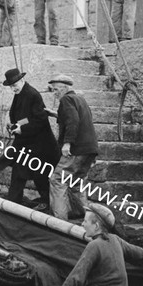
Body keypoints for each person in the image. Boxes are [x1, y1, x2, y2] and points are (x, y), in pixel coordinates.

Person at [42, 203, 143, 286]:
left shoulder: (94, 245)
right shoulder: (116, 239)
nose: (82, 224)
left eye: (85, 221)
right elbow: (142, 256)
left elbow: (76, 277)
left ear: (97, 226)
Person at [0, 68, 60, 210]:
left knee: (39, 175)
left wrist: (21, 129)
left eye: (14, 85)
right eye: (11, 86)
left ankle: (47, 203)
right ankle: (14, 202)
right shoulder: (20, 93)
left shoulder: (32, 94)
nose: (13, 89)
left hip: (40, 145)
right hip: (27, 143)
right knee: (19, 171)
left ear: (22, 80)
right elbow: (27, 117)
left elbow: (40, 119)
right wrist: (17, 124)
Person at [46, 74, 98, 220]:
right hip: (90, 149)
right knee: (77, 182)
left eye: (56, 89)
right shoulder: (80, 99)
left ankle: (59, 221)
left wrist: (67, 143)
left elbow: (73, 121)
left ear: (65, 88)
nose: (55, 93)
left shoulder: (66, 99)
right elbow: (76, 118)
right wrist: (56, 114)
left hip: (76, 149)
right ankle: (83, 216)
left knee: (58, 180)